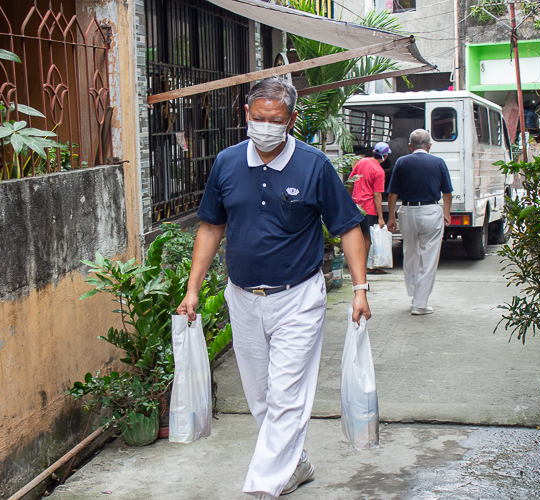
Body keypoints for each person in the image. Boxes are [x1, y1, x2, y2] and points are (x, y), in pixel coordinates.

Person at [176, 76, 371, 500]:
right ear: (246, 114)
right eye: (259, 117)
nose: (266, 126)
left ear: (292, 120)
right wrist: (193, 289)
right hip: (243, 297)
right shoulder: (227, 163)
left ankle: (260, 489)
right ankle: (294, 463)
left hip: (297, 297)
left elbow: (349, 228)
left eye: (276, 120)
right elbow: (211, 226)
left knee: (286, 397)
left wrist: (360, 288)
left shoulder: (313, 165)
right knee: (261, 397)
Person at [386, 129, 452, 315]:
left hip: (407, 211)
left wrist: (391, 217)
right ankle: (420, 303)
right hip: (431, 211)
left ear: (410, 146)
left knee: (411, 254)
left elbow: (393, 193)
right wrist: (446, 213)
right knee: (429, 258)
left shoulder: (401, 162)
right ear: (429, 146)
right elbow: (447, 193)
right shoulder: (439, 162)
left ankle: (415, 294)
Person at [347, 142, 388, 275]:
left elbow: (350, 180)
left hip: (356, 206)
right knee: (367, 239)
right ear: (385, 156)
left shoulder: (361, 161)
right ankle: (362, 267)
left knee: (356, 236)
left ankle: (356, 264)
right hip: (368, 209)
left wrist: (349, 199)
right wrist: (381, 217)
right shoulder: (379, 171)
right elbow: (377, 195)